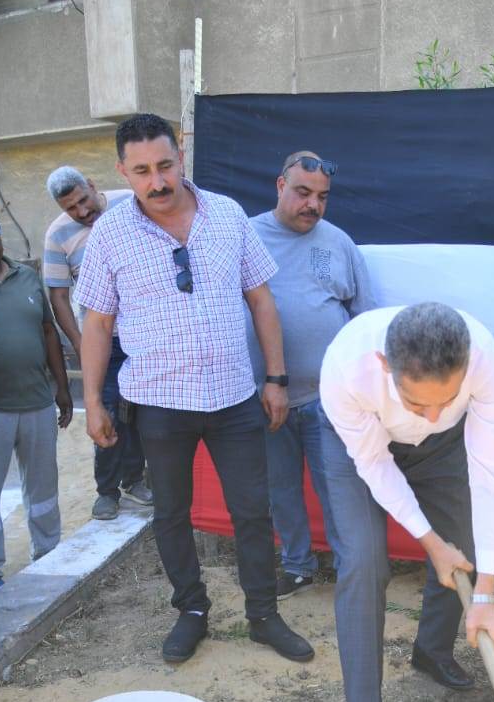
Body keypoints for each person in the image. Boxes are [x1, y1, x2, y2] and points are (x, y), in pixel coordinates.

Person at [76, 113, 313, 666]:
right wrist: (92, 401)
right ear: (122, 172)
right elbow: (97, 324)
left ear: (181, 154)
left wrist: (275, 378)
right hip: (158, 403)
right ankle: (192, 610)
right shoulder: (109, 233)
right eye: (142, 171)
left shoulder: (227, 215)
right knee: (170, 513)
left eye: (165, 165)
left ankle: (263, 615)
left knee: (252, 511)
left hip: (233, 397)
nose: (157, 181)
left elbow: (261, 300)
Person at [319, 302, 494, 702]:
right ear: (386, 366)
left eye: (446, 400)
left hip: (443, 448)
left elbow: (491, 474)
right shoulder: (347, 367)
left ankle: (432, 650)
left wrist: (486, 592)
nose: (431, 414)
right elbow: (375, 465)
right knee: (364, 560)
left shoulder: (483, 356)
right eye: (417, 401)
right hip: (360, 447)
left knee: (463, 543)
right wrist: (428, 541)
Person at [245, 150, 376, 597]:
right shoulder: (246, 237)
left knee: (339, 489)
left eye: (322, 197)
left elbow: (364, 317)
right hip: (265, 394)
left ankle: (351, 569)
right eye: (303, 193)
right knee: (280, 488)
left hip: (330, 398)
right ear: (280, 185)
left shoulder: (338, 242)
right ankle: (297, 565)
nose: (313, 205)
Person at [44, 166, 152, 520]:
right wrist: (82, 344)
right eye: (71, 208)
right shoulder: (57, 234)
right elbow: (59, 296)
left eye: (83, 201)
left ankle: (135, 481)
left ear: (91, 185)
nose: (81, 212)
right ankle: (107, 491)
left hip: (144, 336)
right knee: (104, 412)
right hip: (102, 340)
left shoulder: (130, 203)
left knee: (140, 412)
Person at [0, 208, 72, 595]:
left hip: (37, 402)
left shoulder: (27, 276)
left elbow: (48, 332)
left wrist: (62, 387)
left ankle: (48, 554)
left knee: (43, 488)